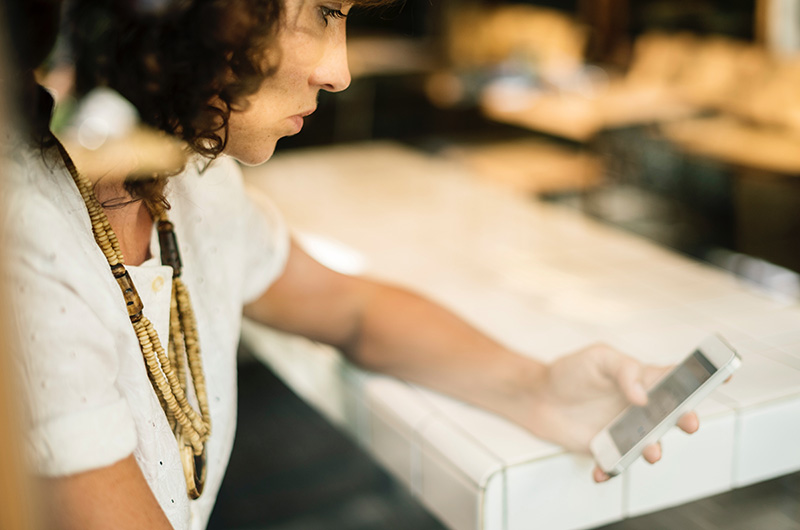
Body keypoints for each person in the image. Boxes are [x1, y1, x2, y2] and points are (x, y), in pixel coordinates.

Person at [4, 1, 699, 529]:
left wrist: (540, 388)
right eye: (323, 13)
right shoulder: (27, 246)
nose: (337, 71)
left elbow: (351, 310)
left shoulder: (194, 180)